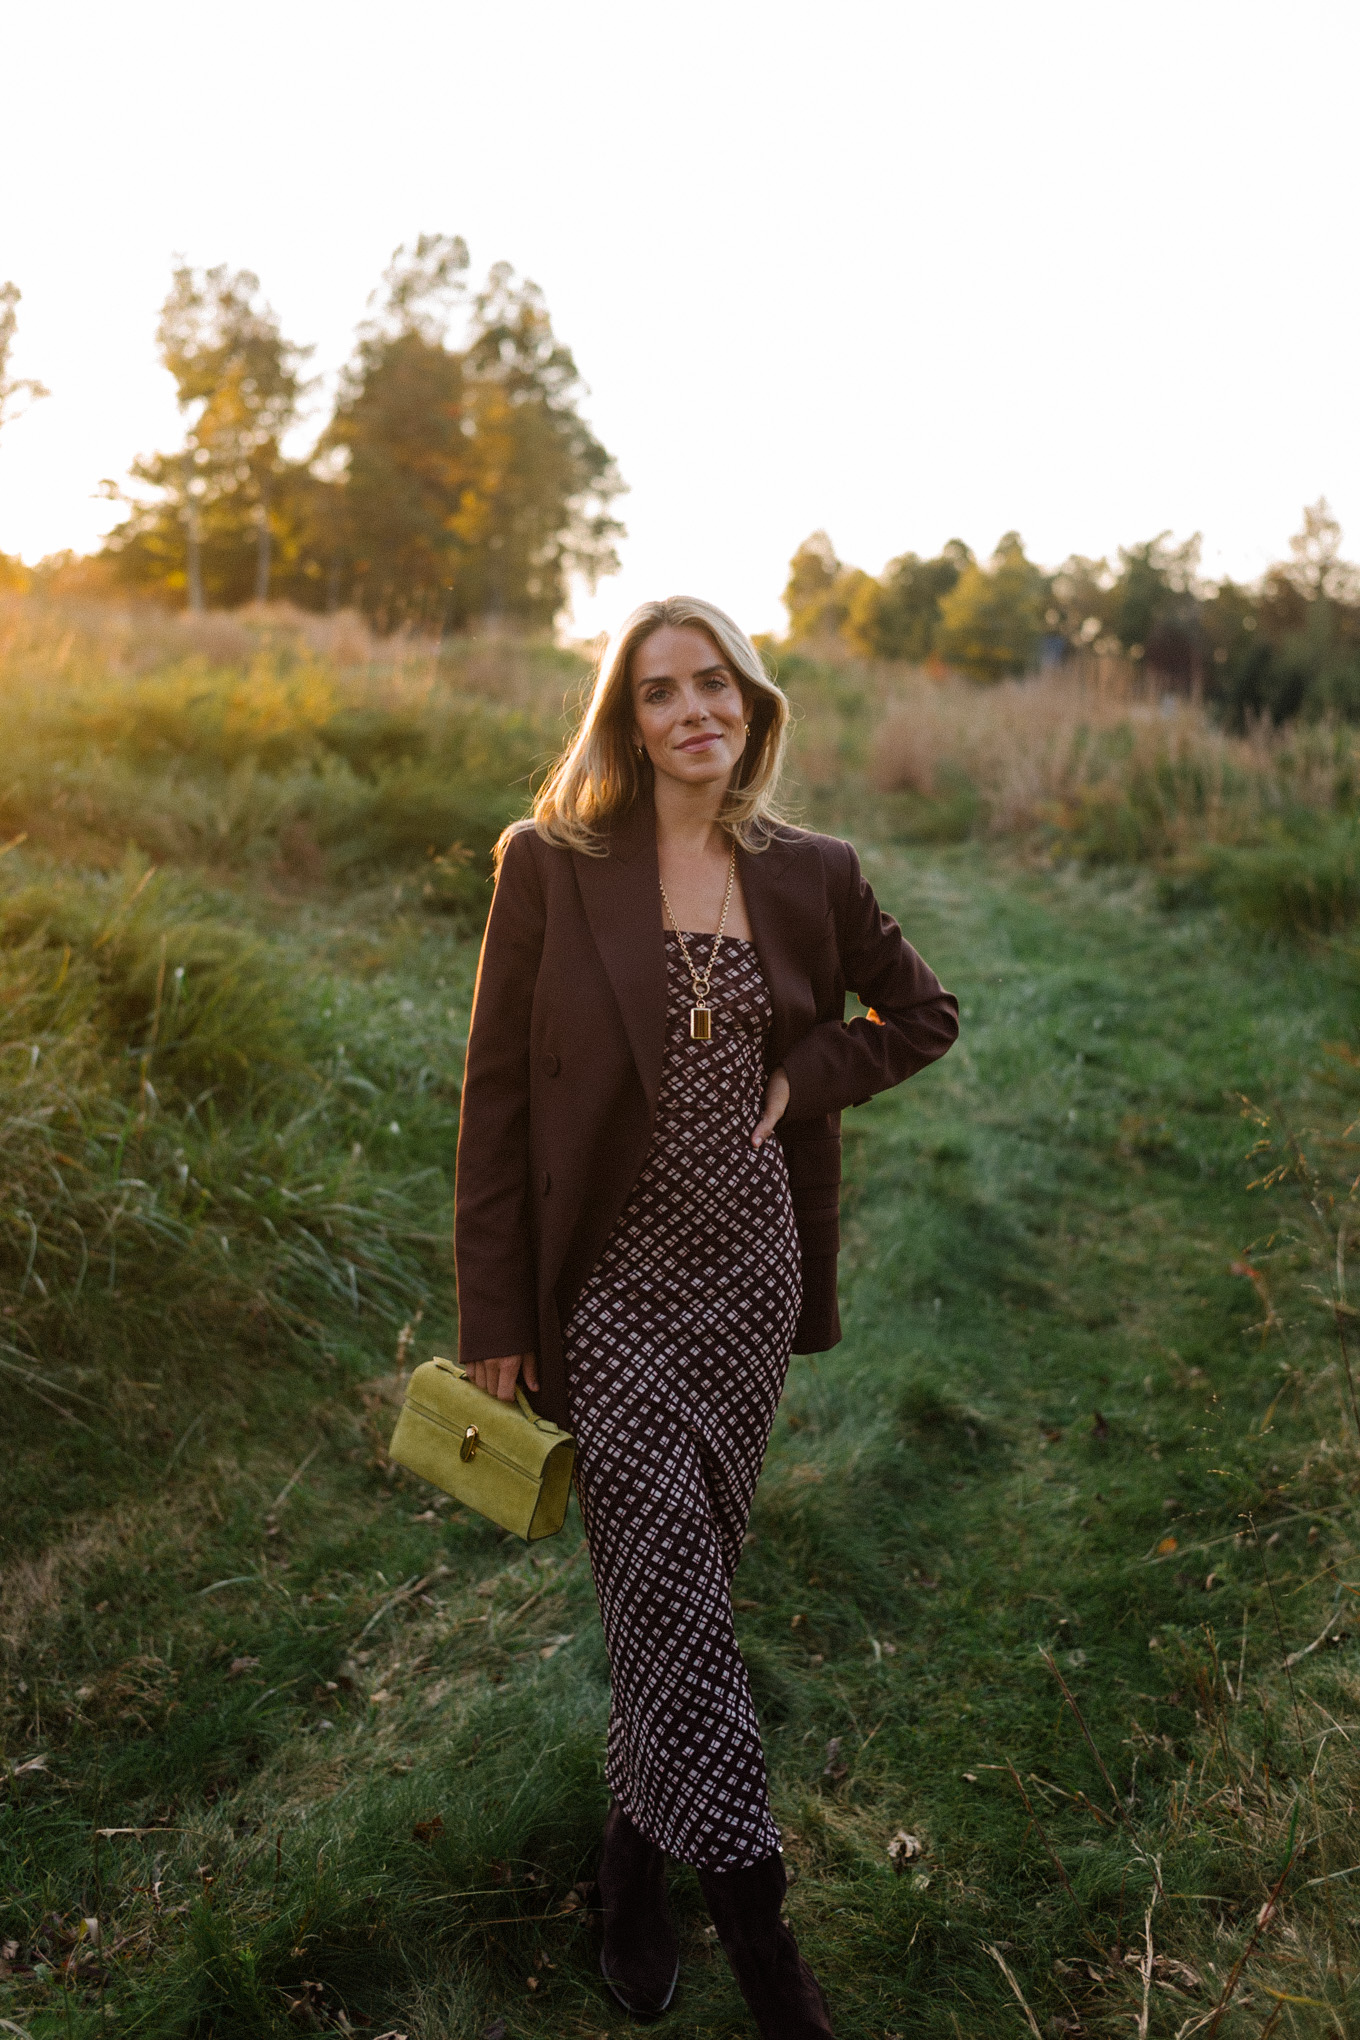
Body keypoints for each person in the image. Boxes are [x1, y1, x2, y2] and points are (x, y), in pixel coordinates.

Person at [453, 596, 958, 2036]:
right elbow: (493, 1100)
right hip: (603, 1292)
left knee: (679, 1604)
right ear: (626, 717)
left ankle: (629, 1864)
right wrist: (499, 1305)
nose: (693, 712)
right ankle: (768, 1957)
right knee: (672, 1598)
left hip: (746, 1285)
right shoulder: (551, 866)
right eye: (661, 690)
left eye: (716, 686)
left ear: (752, 705)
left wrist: (805, 1078)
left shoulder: (814, 872)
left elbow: (920, 1016)